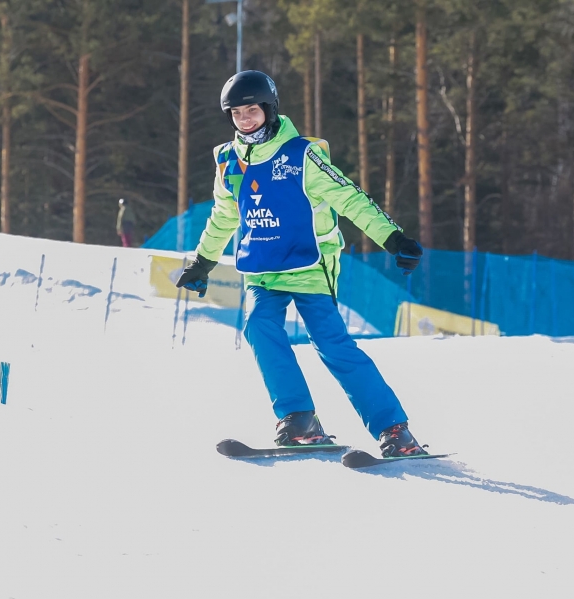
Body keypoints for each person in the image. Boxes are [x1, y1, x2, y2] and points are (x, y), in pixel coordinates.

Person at [175, 70, 427, 457]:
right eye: (237, 113)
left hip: (309, 263)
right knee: (259, 328)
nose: (245, 120)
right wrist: (202, 262)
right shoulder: (228, 161)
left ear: (270, 109)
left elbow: (350, 199)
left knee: (331, 344)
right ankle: (299, 421)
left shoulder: (302, 155)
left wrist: (393, 239)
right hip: (262, 266)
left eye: (252, 110)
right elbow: (225, 214)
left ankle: (394, 429)